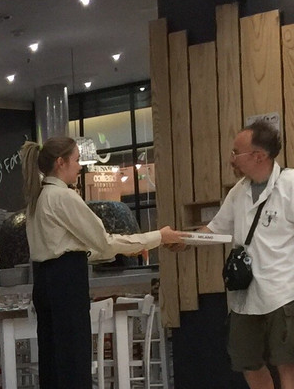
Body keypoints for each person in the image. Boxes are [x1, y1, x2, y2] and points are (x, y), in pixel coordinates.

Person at [21, 137, 184, 389]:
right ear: (61, 162)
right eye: (77, 160)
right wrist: (158, 237)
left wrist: (129, 247)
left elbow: (72, 248)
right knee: (74, 361)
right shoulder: (63, 197)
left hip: (44, 282)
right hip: (66, 283)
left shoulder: (38, 198)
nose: (80, 166)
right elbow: (103, 242)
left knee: (53, 361)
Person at [197, 121, 294, 389]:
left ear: (259, 156)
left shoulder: (289, 184)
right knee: (247, 362)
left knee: (287, 363)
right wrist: (184, 240)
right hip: (245, 295)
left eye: (236, 152)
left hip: (284, 293)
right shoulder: (238, 191)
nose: (232, 159)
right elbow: (214, 228)